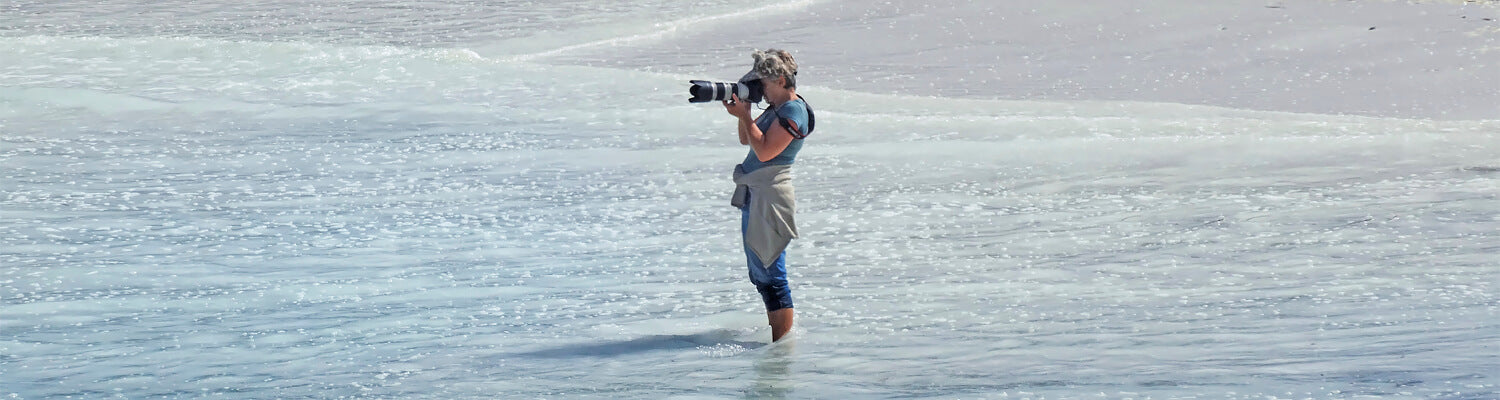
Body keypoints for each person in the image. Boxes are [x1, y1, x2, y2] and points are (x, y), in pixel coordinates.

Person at [723, 49, 814, 342]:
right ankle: (779, 340)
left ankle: (782, 347)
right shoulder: (775, 107)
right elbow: (744, 138)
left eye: (764, 83)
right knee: (760, 273)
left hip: (771, 196)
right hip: (757, 194)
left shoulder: (793, 111)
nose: (761, 88)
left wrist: (747, 115)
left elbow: (764, 152)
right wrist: (744, 111)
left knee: (772, 272)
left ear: (782, 80)